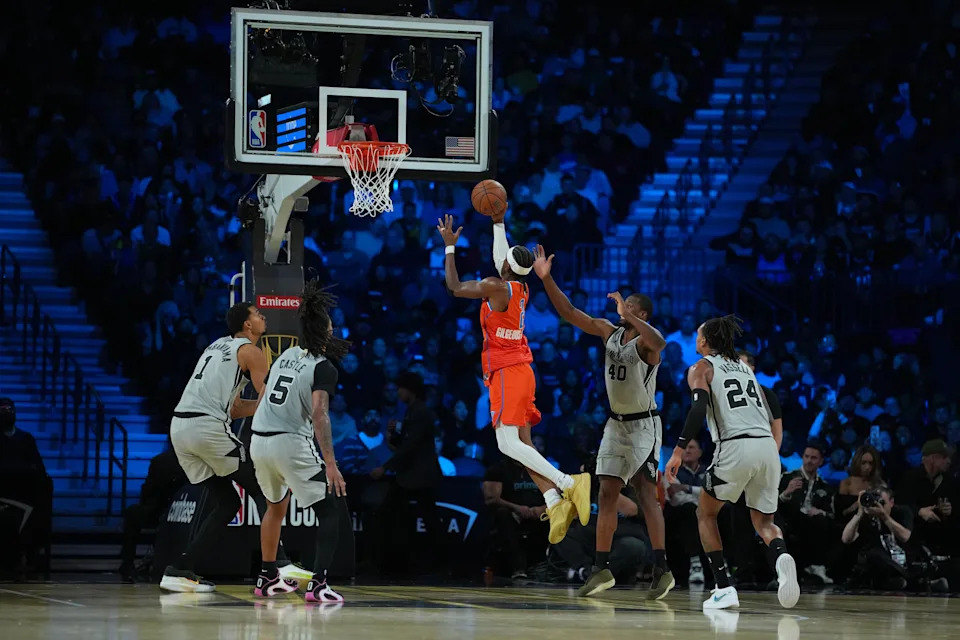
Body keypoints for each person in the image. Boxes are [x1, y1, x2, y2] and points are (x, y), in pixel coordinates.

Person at [437, 213, 590, 545]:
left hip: (507, 371)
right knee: (524, 446)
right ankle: (553, 502)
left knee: (507, 444)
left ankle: (567, 483)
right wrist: (498, 221)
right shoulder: (518, 287)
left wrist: (450, 248)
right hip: (520, 369)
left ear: (505, 265)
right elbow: (501, 255)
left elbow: (453, 287)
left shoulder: (496, 286)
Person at [531, 245, 673, 600]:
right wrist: (546, 279)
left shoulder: (646, 344)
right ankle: (600, 569)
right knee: (607, 492)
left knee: (644, 495)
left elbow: (661, 340)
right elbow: (568, 311)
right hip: (615, 425)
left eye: (630, 309)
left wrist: (631, 314)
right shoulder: (608, 331)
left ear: (640, 313)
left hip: (644, 426)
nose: (621, 311)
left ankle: (663, 568)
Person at [162, 303, 309, 592]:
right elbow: (271, 401)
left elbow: (237, 407)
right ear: (247, 325)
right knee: (264, 489)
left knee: (228, 503)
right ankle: (278, 564)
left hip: (181, 428)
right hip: (206, 428)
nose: (262, 317)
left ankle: (180, 569)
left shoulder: (217, 347)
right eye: (257, 314)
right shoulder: (251, 351)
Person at [665, 315, 800, 611]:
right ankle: (780, 557)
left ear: (705, 341)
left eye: (699, 335)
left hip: (735, 446)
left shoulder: (701, 368)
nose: (697, 339)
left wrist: (678, 450)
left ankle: (724, 588)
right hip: (767, 448)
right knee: (764, 521)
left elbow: (698, 408)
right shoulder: (745, 369)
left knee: (705, 513)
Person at [249, 280, 350, 602]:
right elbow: (320, 414)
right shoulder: (324, 367)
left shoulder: (287, 353)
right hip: (289, 443)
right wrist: (331, 465)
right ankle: (319, 584)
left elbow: (264, 391)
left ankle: (267, 576)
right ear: (324, 332)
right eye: (331, 327)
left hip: (259, 440)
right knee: (332, 508)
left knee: (275, 508)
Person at [370, 371, 443, 575]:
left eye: (401, 388)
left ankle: (440, 563)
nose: (399, 392)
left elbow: (410, 447)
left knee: (426, 519)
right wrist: (393, 434)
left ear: (410, 389)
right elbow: (404, 445)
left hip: (419, 477)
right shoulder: (412, 411)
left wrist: (385, 467)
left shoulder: (421, 413)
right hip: (412, 476)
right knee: (416, 517)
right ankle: (398, 561)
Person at [119, 445, 186, 581]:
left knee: (134, 513)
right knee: (133, 513)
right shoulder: (161, 461)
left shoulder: (162, 460)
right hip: (165, 509)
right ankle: (128, 563)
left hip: (179, 509)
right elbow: (148, 489)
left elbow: (147, 490)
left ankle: (128, 562)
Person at [777, 442, 836, 584]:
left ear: (821, 461)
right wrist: (786, 493)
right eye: (806, 456)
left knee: (821, 521)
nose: (809, 461)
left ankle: (817, 566)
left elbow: (832, 514)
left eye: (814, 458)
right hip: (789, 518)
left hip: (812, 523)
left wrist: (820, 511)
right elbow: (773, 504)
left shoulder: (825, 486)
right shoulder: (787, 477)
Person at [482, 456, 548, 580]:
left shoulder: (541, 470)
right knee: (503, 515)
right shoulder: (497, 469)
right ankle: (518, 567)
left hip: (537, 513)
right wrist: (517, 508)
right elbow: (491, 499)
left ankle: (548, 566)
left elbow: (556, 496)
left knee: (559, 513)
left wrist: (541, 509)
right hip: (511, 513)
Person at [841, 487, 913, 590]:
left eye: (882, 503)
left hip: (900, 562)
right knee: (873, 554)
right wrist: (860, 513)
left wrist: (884, 517)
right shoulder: (867, 515)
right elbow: (846, 539)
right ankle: (908, 581)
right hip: (877, 565)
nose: (878, 506)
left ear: (891, 502)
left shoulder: (902, 512)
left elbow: (904, 536)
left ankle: (903, 579)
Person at [662, 438, 707, 585]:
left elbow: (717, 494)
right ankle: (695, 564)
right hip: (679, 515)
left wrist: (688, 489)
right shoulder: (671, 473)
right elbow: (677, 499)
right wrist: (701, 496)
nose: (687, 450)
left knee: (726, 510)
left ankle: (725, 565)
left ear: (699, 452)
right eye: (685, 448)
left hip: (706, 511)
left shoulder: (708, 472)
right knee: (689, 509)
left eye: (692, 447)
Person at [837, 445, 885, 519]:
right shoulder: (847, 483)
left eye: (870, 463)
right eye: (863, 463)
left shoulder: (879, 484)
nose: (867, 467)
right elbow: (841, 514)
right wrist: (858, 505)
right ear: (857, 462)